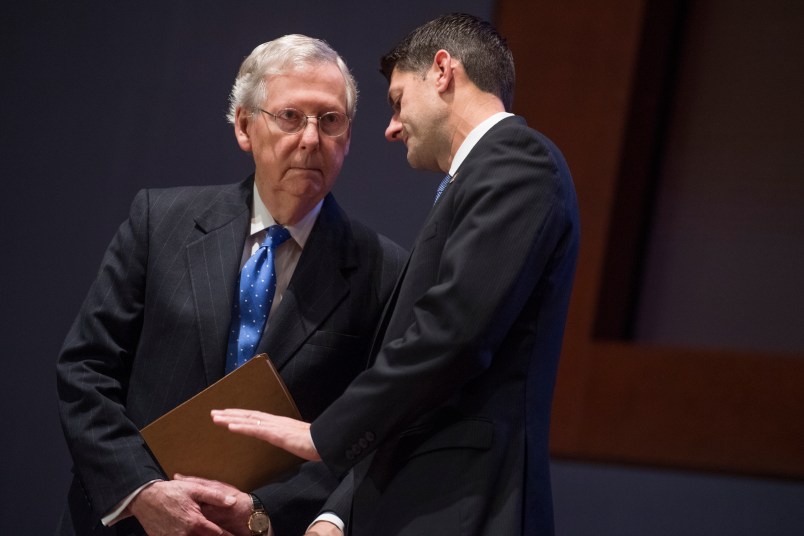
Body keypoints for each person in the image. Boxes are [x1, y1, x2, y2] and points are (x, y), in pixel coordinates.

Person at [212, 12, 580, 536]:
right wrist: (340, 514)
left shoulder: (517, 160)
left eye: (397, 100)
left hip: (464, 504)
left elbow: (451, 333)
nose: (390, 127)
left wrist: (324, 435)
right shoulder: (482, 175)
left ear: (442, 71)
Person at [56, 34, 406, 536]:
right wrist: (143, 491)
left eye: (330, 120)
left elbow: (369, 434)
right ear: (245, 126)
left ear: (348, 137)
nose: (311, 139)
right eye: (290, 116)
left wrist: (262, 511)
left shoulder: (383, 270)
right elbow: (84, 370)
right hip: (130, 520)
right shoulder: (161, 222)